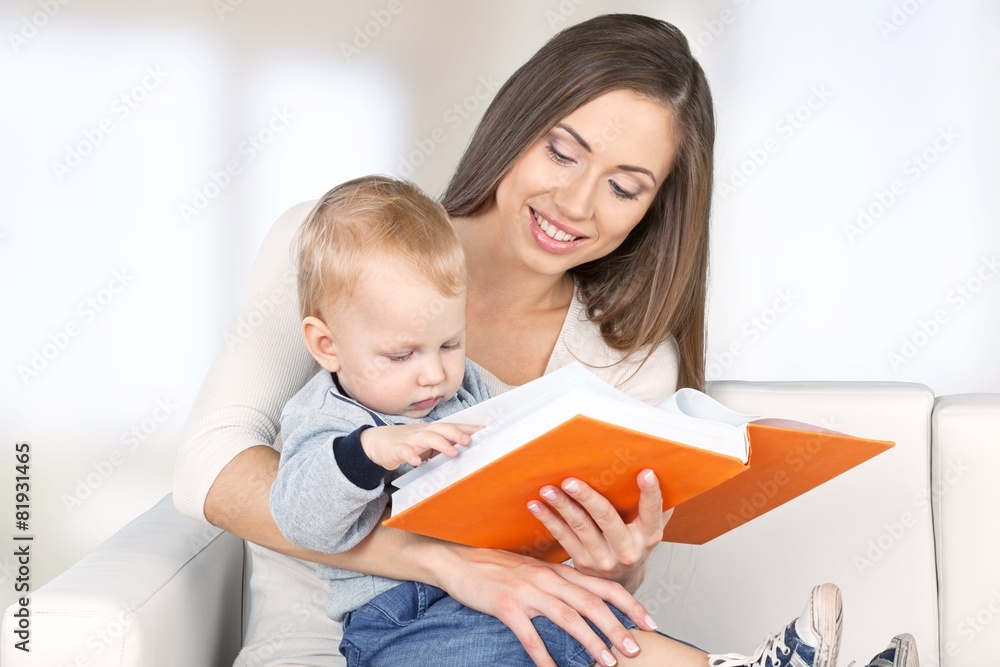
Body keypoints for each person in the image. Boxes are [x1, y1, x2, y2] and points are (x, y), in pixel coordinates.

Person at [173, 13, 920, 667]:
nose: (573, 201)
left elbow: (568, 601)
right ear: (516, 122)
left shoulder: (625, 360)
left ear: (654, 210)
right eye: (562, 151)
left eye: (624, 187)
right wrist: (447, 565)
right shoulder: (340, 251)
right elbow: (209, 465)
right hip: (331, 643)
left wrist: (619, 564)